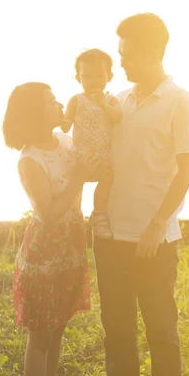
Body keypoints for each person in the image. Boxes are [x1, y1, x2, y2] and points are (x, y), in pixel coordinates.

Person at [93, 13, 189, 376]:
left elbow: (187, 171)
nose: (121, 64)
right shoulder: (118, 102)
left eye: (128, 56)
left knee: (160, 329)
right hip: (111, 238)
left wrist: (156, 224)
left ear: (153, 53)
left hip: (155, 239)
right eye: (120, 55)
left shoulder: (180, 102)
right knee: (117, 331)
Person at [2, 82, 95, 376]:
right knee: (40, 336)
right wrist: (79, 178)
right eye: (50, 101)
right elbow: (50, 212)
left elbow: (95, 155)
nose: (59, 103)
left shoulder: (66, 143)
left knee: (57, 332)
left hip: (72, 247)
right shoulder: (30, 159)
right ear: (34, 114)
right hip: (44, 252)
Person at [61, 49, 122, 239]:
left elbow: (118, 117)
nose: (93, 80)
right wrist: (58, 120)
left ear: (109, 76)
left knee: (107, 179)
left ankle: (99, 215)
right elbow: (65, 126)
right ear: (78, 78)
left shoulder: (111, 100)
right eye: (86, 76)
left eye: (98, 75)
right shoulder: (76, 100)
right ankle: (70, 217)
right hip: (81, 153)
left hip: (102, 153)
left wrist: (103, 104)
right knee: (75, 185)